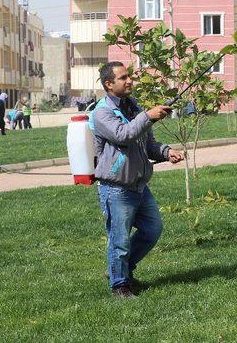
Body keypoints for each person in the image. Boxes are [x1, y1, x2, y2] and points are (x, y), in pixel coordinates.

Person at [91, 61, 184, 298]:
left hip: (139, 185)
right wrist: (149, 116)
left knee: (152, 229)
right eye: (123, 78)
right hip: (116, 188)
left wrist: (166, 151)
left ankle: (119, 271)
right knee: (119, 241)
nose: (129, 80)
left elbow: (147, 144)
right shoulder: (102, 112)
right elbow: (124, 135)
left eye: (129, 76)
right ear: (109, 84)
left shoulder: (133, 107)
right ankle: (120, 285)